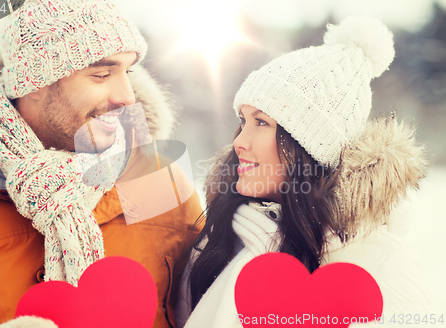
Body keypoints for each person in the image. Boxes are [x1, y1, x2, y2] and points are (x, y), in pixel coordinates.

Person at [0, 0, 202, 327]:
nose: (127, 96)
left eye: (128, 71)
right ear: (34, 83)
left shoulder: (158, 180)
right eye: (101, 74)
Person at [175, 16, 434, 328]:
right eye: (243, 120)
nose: (239, 142)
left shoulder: (381, 260)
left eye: (261, 122)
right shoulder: (215, 244)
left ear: (309, 147)